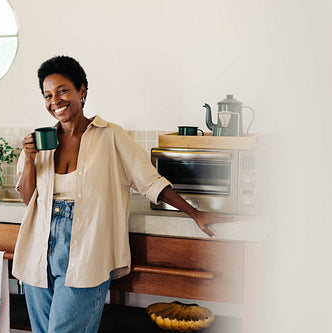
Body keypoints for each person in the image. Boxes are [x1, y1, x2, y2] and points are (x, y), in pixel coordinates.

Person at [12, 56, 236, 333]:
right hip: (39, 247)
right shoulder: (39, 141)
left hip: (87, 249)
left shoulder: (111, 136)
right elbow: (27, 198)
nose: (55, 100)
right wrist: (30, 159)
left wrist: (194, 212)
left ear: (82, 90)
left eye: (62, 90)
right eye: (47, 95)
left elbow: (149, 181)